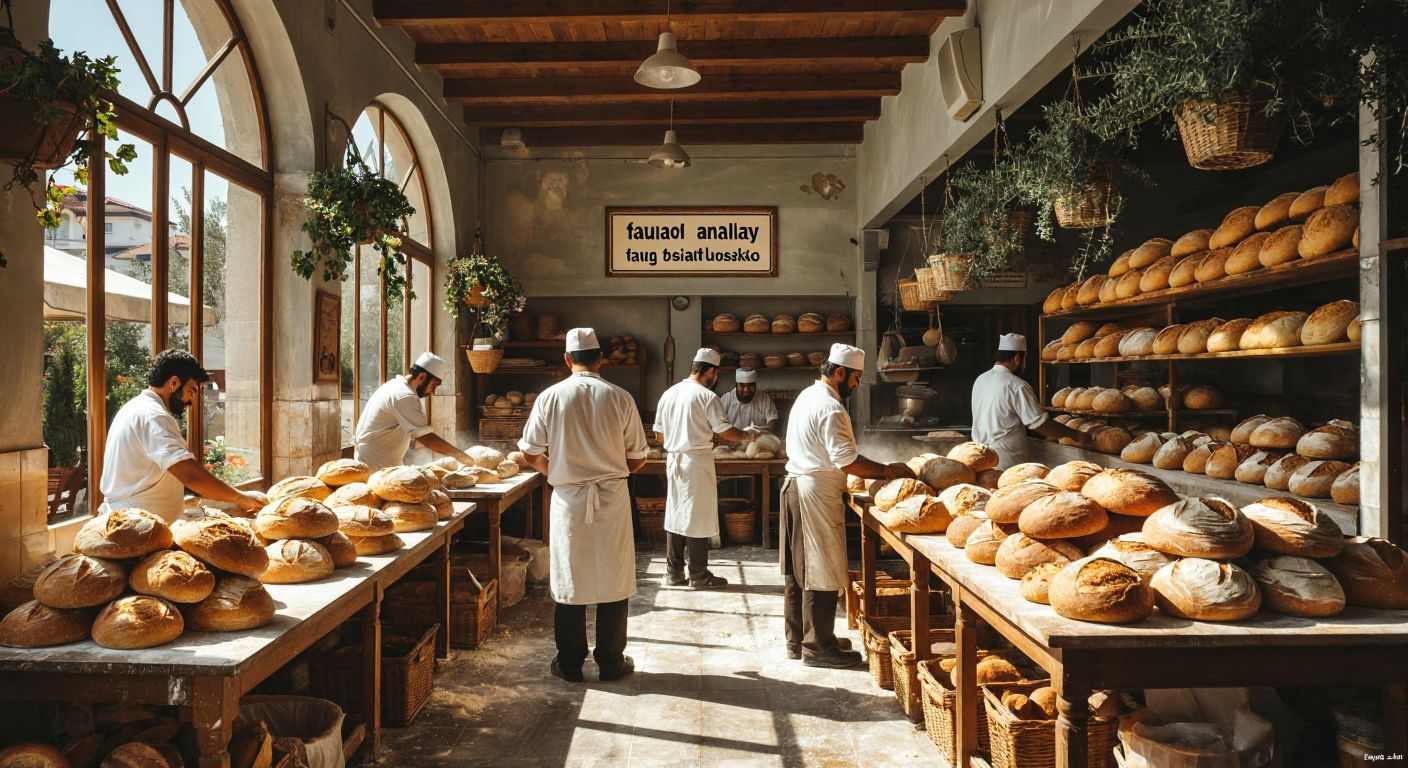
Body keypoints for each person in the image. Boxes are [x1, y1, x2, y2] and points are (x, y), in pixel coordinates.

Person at [517, 328, 649, 683]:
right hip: (612, 497)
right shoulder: (621, 397)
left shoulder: (550, 397)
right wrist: (610, 469)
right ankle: (610, 661)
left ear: (566, 359)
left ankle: (570, 662)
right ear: (601, 357)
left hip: (569, 499)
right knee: (614, 575)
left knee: (569, 573)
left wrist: (556, 470)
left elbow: (529, 452)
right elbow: (638, 458)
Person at [782, 343, 915, 668]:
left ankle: (800, 639)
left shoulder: (807, 396)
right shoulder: (830, 407)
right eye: (855, 378)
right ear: (839, 372)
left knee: (800, 570)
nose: (856, 385)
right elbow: (847, 460)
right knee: (820, 568)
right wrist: (885, 470)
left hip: (797, 486)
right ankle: (819, 647)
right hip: (814, 492)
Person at [100, 349, 266, 519]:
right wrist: (240, 497)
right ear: (173, 383)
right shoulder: (154, 416)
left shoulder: (136, 407)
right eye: (191, 391)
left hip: (138, 520)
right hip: (134, 525)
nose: (191, 400)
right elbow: (190, 475)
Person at [653, 349, 757, 590]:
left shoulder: (669, 394)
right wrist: (748, 435)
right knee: (697, 516)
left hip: (675, 460)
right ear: (711, 371)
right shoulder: (706, 396)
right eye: (716, 374)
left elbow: (659, 436)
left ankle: (673, 572)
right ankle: (699, 575)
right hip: (696, 462)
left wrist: (681, 438)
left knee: (676, 515)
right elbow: (725, 431)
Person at [970, 333, 1091, 468]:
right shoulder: (1016, 385)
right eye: (1024, 359)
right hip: (1005, 461)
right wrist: (1075, 434)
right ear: (1017, 358)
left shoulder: (981, 379)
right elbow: (1039, 424)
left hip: (981, 457)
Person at [354, 352, 475, 469]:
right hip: (376, 463)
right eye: (433, 386)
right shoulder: (403, 395)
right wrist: (461, 456)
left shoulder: (395, 385)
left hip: (379, 459)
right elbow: (426, 438)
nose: (432, 391)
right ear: (422, 376)